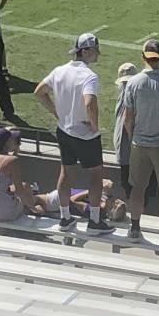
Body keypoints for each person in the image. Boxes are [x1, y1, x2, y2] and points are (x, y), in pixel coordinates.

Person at [116, 38, 159, 244]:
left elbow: (128, 118)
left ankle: (135, 229)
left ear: (143, 57)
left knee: (137, 188)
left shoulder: (134, 83)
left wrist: (133, 136)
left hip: (140, 143)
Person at [34, 32, 104, 221]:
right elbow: (90, 103)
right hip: (84, 134)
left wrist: (56, 112)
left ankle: (65, 217)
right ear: (87, 51)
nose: (98, 54)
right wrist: (95, 125)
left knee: (66, 172)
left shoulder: (59, 70)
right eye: (96, 50)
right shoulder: (89, 76)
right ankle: (95, 221)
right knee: (96, 175)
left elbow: (39, 92)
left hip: (64, 130)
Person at [0, 126, 51, 224]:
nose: (18, 142)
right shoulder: (12, 161)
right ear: (8, 142)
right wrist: (34, 209)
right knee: (26, 193)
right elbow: (20, 190)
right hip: (4, 211)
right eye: (14, 140)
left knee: (23, 190)